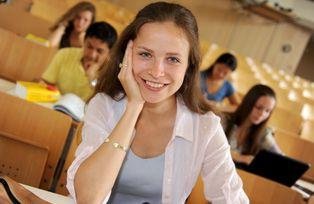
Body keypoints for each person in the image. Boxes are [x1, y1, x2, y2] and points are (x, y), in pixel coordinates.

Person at [66, 2, 249, 204]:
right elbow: (87, 198)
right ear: (127, 55)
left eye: (172, 59)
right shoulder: (103, 105)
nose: (157, 71)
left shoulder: (205, 126)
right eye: (145, 54)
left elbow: (232, 199)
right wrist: (133, 108)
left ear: (189, 67)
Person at [41, 21, 117, 101]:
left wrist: (92, 80)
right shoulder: (64, 54)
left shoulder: (111, 74)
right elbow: (46, 83)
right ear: (84, 41)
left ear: (110, 53)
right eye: (89, 47)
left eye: (99, 51)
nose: (92, 55)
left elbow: (104, 104)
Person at [222, 84, 282, 165]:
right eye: (259, 107)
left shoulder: (263, 133)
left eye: (267, 111)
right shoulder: (224, 120)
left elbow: (281, 158)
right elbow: (212, 148)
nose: (262, 114)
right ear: (248, 103)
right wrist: (239, 157)